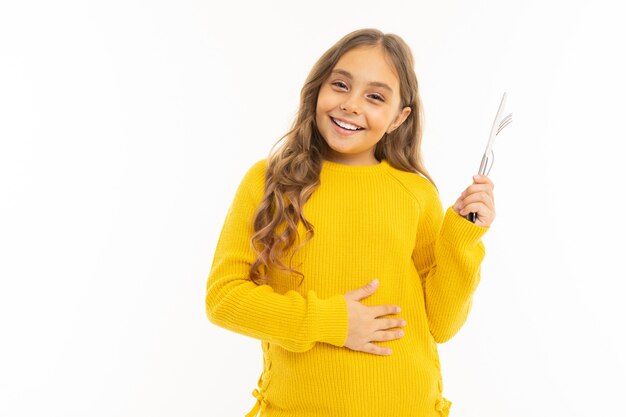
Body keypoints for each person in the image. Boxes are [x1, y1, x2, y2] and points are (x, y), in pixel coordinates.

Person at [205, 28, 495, 417]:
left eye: (375, 96)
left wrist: (462, 235)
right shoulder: (268, 181)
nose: (351, 105)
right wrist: (333, 322)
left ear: (398, 118)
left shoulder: (416, 193)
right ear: (317, 91)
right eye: (340, 85)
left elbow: (441, 324)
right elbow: (224, 299)